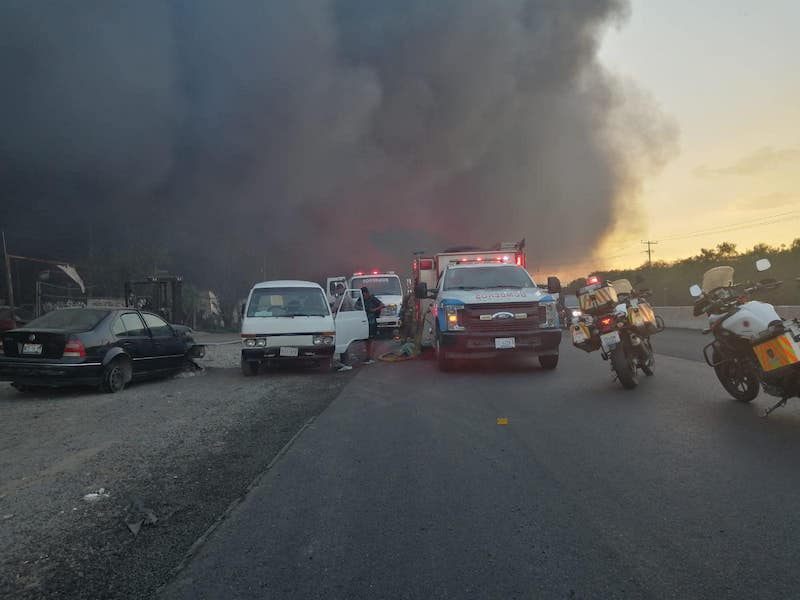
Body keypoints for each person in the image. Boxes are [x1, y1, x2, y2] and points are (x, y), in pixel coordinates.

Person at [361, 286, 385, 364]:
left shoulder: (373, 299)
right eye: (362, 295)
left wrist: (373, 310)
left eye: (364, 295)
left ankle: (370, 357)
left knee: (371, 340)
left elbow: (382, 305)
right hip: (364, 322)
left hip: (372, 322)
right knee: (366, 340)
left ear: (367, 293)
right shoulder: (361, 299)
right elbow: (355, 306)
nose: (363, 297)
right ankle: (367, 357)